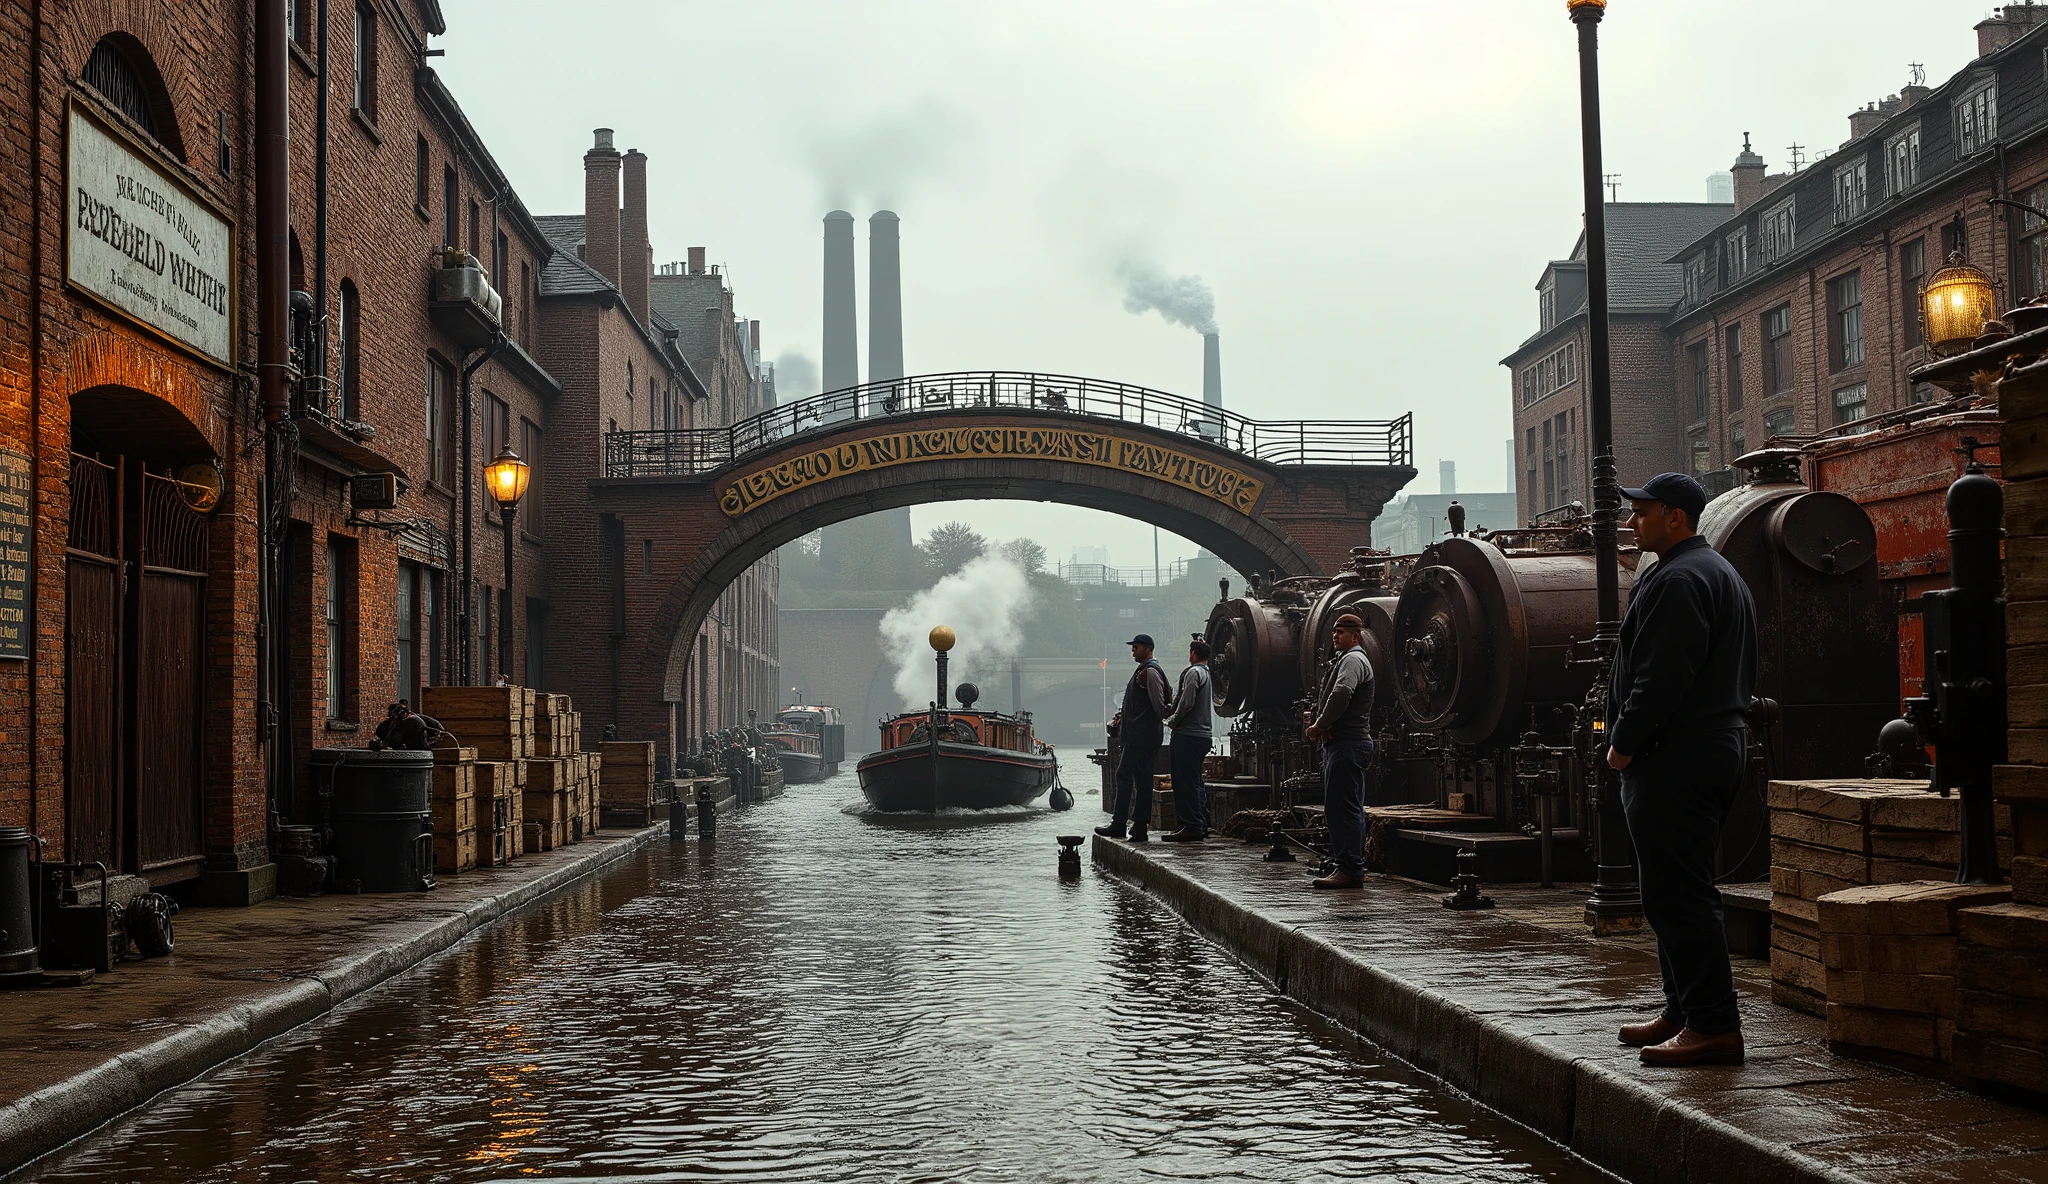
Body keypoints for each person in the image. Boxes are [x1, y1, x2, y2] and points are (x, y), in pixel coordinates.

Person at [1605, 471, 1758, 1068]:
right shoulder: (1716, 574)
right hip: (1708, 748)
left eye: (1644, 511)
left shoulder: (1678, 579)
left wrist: (1623, 743)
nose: (1632, 520)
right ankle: (1683, 1009)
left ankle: (1714, 1025)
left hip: (1676, 755)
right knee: (1669, 887)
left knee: (1680, 893)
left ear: (1677, 518)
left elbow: (1662, 678)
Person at [1303, 613, 1374, 890]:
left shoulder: (1354, 660)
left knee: (1341, 809)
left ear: (1355, 637)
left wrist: (1320, 724)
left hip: (1347, 745)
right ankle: (1350, 865)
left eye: (1341, 632)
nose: (1335, 636)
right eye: (1334, 631)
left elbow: (1342, 694)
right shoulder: (1346, 659)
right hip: (1345, 744)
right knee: (1349, 807)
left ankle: (1349, 869)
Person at [1095, 634, 1172, 843]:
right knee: (1141, 779)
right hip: (1140, 735)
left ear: (1148, 649)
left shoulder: (1150, 673)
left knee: (1126, 776)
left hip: (1141, 737)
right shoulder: (1144, 672)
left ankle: (1121, 823)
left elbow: (1158, 706)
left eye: (1136, 647)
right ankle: (1138, 826)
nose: (1133, 651)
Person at [1160, 637, 1215, 842]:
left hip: (1188, 735)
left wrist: (1173, 719)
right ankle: (1200, 822)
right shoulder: (1208, 674)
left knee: (1184, 782)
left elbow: (1186, 701)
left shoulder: (1193, 673)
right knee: (1196, 780)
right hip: (1203, 736)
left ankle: (1190, 825)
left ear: (1193, 653)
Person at [373, 700, 439, 751]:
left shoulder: (414, 720)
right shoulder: (385, 726)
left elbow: (435, 725)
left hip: (417, 747)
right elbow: (379, 737)